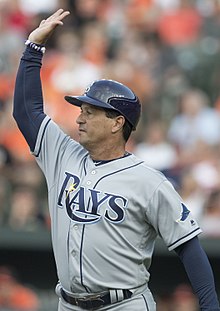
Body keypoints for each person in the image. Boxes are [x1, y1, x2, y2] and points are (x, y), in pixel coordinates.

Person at [13, 9, 220, 311]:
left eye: (90, 111)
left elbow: (189, 247)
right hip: (68, 304)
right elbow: (26, 112)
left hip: (124, 304)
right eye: (81, 109)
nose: (80, 116)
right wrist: (32, 50)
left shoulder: (148, 181)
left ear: (116, 123)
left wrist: (210, 306)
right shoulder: (62, 154)